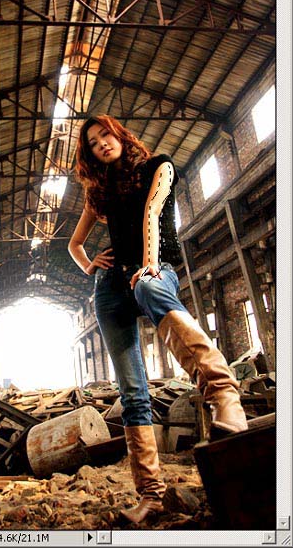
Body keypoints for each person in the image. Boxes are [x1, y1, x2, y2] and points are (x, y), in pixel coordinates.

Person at [68, 115, 248, 524]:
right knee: (133, 393)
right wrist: (89, 265)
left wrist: (148, 266)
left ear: (119, 134)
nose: (101, 144)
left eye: (105, 135)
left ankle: (223, 392)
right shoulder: (99, 192)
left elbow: (152, 213)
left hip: (154, 268)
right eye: (93, 143)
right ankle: (150, 496)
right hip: (110, 288)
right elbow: (75, 244)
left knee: (150, 288)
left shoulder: (159, 165)